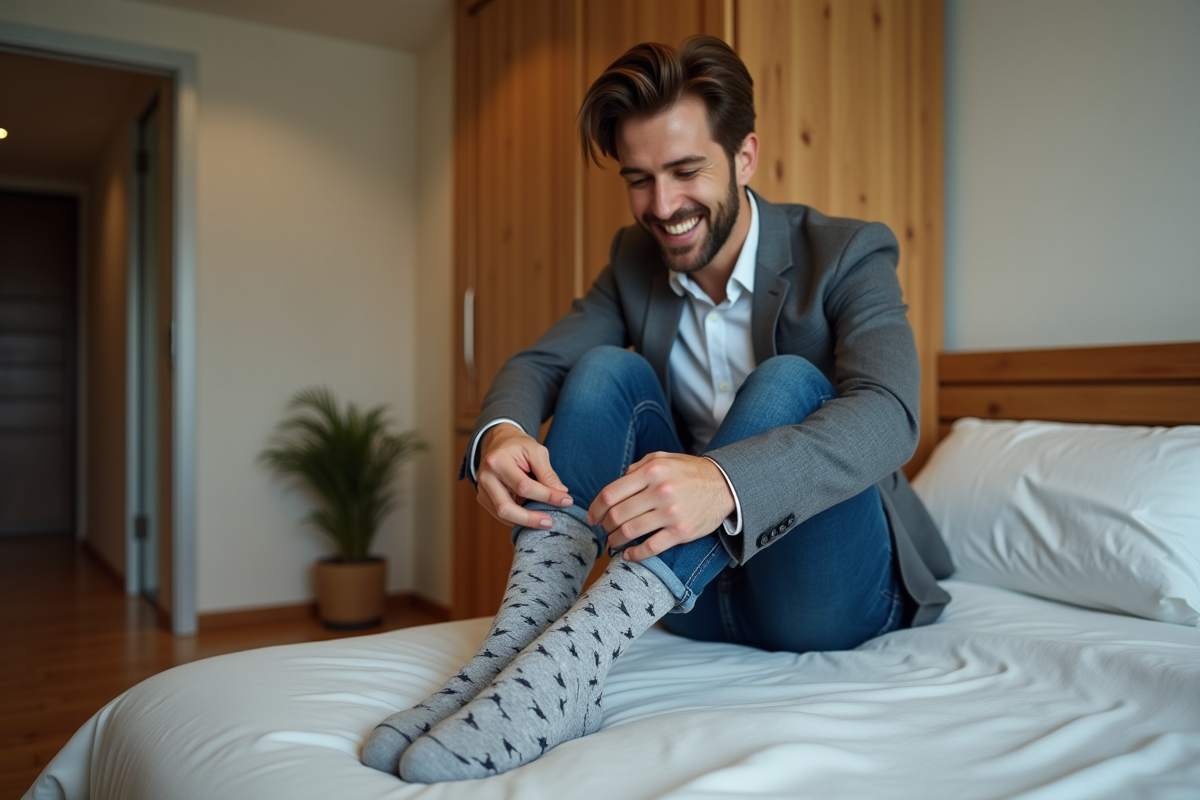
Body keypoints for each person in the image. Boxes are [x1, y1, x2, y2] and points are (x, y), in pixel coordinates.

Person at [363, 35, 953, 783]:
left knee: (785, 384)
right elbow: (539, 365)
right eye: (638, 180)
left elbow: (891, 413)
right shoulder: (632, 263)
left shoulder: (844, 252)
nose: (663, 206)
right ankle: (522, 646)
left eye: (685, 171)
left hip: (824, 598)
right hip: (688, 596)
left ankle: (569, 659)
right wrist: (500, 435)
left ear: (744, 157)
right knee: (603, 368)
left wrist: (726, 483)